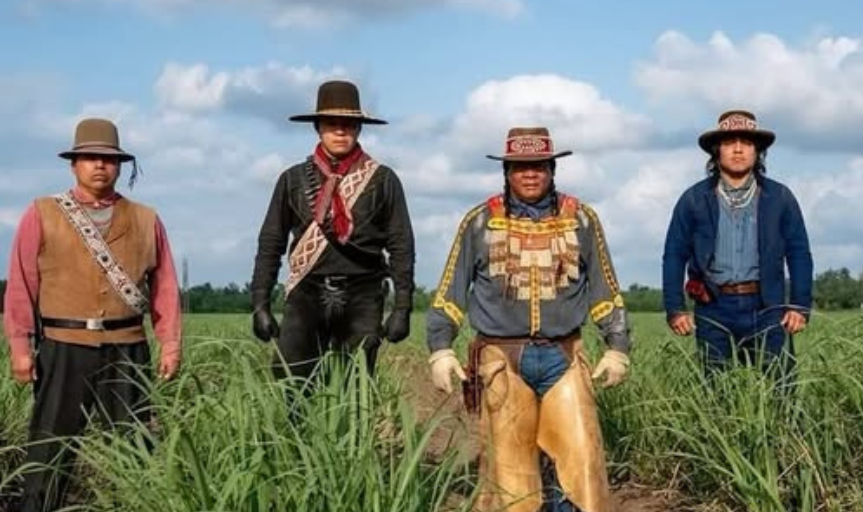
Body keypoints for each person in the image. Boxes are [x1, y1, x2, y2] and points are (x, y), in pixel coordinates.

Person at [427, 127, 630, 512]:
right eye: (520, 167)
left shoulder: (582, 220)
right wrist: (440, 347)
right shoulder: (479, 222)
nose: (530, 174)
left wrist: (617, 346)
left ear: (552, 168)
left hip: (564, 355)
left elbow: (605, 290)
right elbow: (451, 291)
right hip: (501, 360)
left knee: (581, 464)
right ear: (507, 171)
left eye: (538, 166)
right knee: (510, 478)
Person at [3, 118, 182, 512]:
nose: (99, 165)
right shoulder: (42, 212)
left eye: (108, 158)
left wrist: (170, 343)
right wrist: (20, 345)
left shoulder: (147, 219)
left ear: (120, 166)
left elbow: (166, 287)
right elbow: (21, 284)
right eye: (90, 158)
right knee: (49, 449)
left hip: (128, 349)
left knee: (137, 448)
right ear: (74, 165)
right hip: (63, 348)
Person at [250, 80, 415, 379]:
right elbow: (271, 242)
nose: (341, 130)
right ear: (318, 127)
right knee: (292, 383)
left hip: (364, 292)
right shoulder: (293, 179)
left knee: (356, 391)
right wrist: (259, 303)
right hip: (306, 291)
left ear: (360, 128)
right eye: (331, 123)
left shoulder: (383, 179)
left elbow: (401, 244)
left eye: (349, 124)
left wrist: (403, 307)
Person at [662, 110, 812, 376]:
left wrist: (799, 306)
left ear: (757, 152)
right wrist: (675, 309)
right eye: (730, 143)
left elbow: (799, 253)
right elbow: (674, 254)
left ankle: (781, 420)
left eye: (747, 143)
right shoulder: (694, 199)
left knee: (780, 388)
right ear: (716, 151)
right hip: (714, 306)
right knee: (716, 392)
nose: (739, 150)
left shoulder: (780, 197)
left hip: (768, 306)